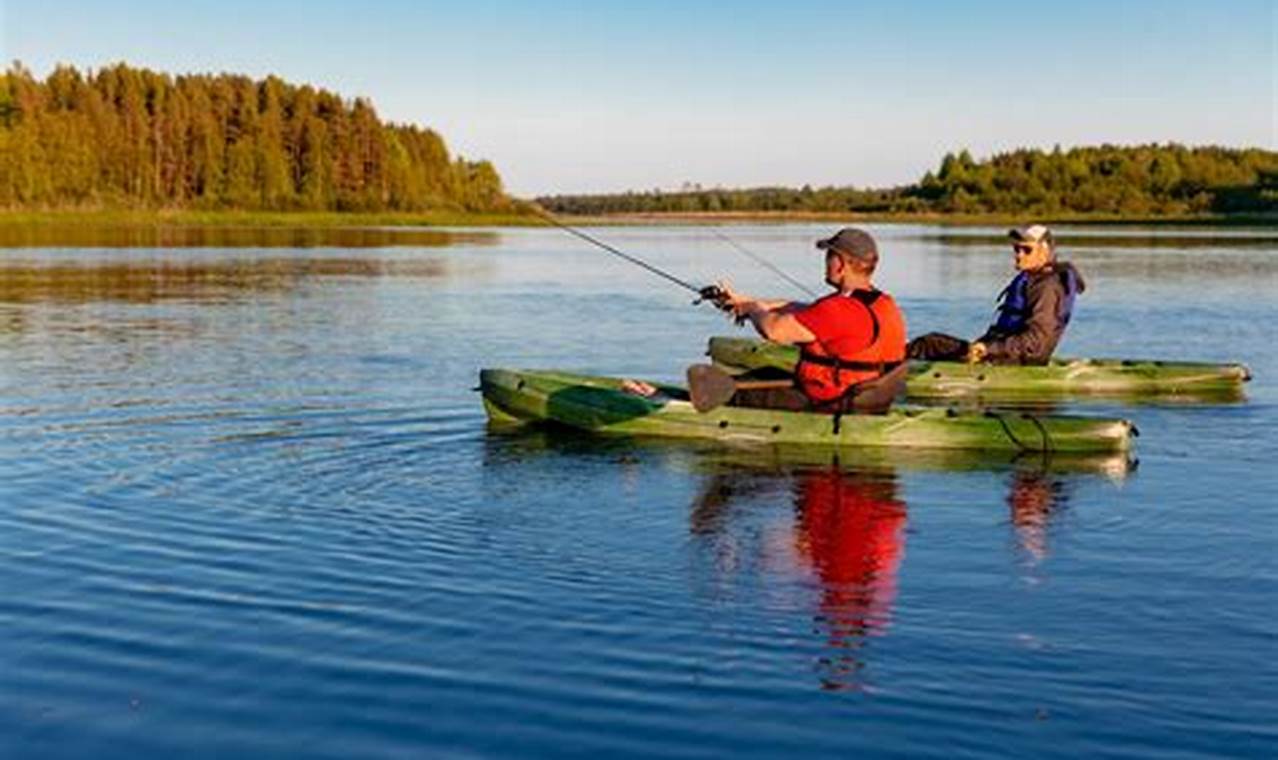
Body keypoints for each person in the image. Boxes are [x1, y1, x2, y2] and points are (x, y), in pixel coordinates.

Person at [714, 227, 908, 413]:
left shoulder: (837, 309)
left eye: (828, 256)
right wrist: (745, 302)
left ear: (840, 263)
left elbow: (774, 331)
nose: (825, 263)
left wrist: (753, 309)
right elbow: (799, 309)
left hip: (831, 402)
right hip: (867, 399)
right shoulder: (882, 303)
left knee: (736, 393)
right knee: (766, 374)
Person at [908, 224, 1085, 365]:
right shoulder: (1033, 279)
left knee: (927, 345)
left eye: (1027, 250)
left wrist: (988, 349)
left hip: (1014, 360)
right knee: (932, 342)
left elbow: (1036, 341)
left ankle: (886, 369)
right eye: (1016, 249)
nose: (1019, 255)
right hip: (1003, 353)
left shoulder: (1047, 288)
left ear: (1045, 252)